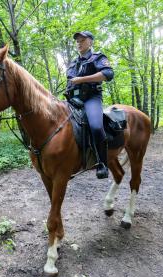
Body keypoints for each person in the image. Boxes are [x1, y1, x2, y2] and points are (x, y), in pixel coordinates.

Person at [66, 31, 114, 179]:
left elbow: (108, 74)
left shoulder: (98, 57)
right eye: (77, 41)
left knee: (96, 126)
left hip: (92, 97)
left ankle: (102, 164)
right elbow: (70, 81)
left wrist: (81, 79)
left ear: (90, 42)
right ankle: (68, 162)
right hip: (74, 99)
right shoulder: (74, 62)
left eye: (82, 40)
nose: (79, 43)